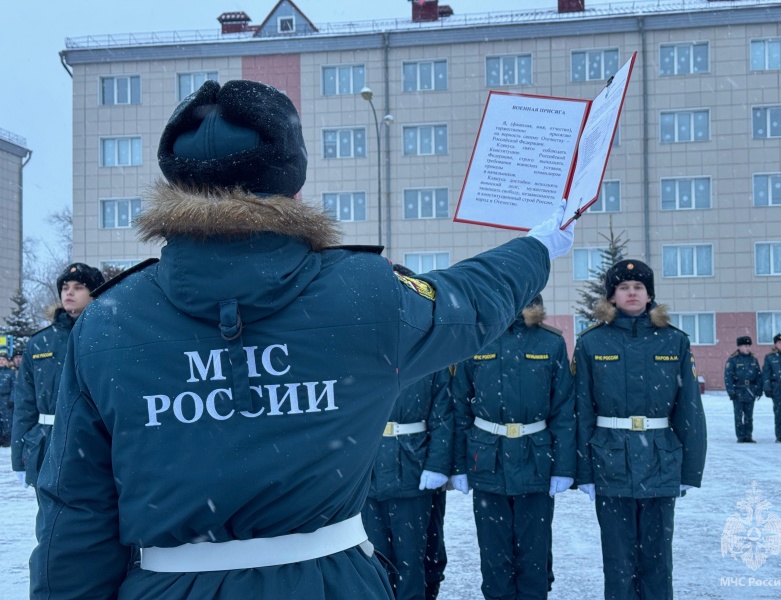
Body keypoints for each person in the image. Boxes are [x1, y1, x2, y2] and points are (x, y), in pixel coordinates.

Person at [30, 79, 574, 599]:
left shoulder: (111, 318)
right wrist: (538, 247)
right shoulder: (365, 293)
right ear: (292, 182)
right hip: (328, 584)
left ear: (176, 183)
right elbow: (469, 302)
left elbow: (76, 507)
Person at [574, 259, 707, 600]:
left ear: (649, 296)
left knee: (657, 560)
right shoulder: (591, 342)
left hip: (660, 460)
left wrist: (690, 470)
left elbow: (688, 408)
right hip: (609, 459)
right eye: (623, 287)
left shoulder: (674, 341)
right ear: (612, 297)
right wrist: (584, 471)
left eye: (638, 287)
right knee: (617, 560)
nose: (631, 293)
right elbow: (582, 412)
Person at [450, 293, 575, 600]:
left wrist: (564, 467)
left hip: (536, 460)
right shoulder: (475, 341)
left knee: (534, 556)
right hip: (487, 460)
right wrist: (458, 465)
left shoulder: (550, 342)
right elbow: (459, 407)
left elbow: (564, 410)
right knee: (494, 557)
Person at [363, 261, 453, 599]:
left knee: (415, 560)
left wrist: (436, 465)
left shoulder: (432, 351)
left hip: (414, 469)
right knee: (373, 558)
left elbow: (444, 415)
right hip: (369, 473)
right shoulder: (360, 350)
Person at [10, 262, 105, 490]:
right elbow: (24, 404)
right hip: (46, 445)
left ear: (95, 293)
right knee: (51, 520)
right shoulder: (40, 342)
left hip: (95, 442)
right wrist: (18, 461)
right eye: (65, 287)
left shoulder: (108, 334)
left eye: (79, 287)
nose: (69, 292)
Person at [723, 335, 762, 443]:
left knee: (749, 416)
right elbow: (728, 377)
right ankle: (740, 436)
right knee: (739, 415)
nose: (747, 348)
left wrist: (759, 390)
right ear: (739, 347)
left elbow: (759, 376)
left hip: (750, 391)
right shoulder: (733, 360)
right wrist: (731, 391)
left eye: (749, 345)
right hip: (738, 391)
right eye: (745, 346)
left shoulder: (753, 360)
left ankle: (748, 435)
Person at [0, 348, 15, 447]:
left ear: (7, 361)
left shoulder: (11, 373)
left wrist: (12, 399)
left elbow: (15, 386)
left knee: (7, 421)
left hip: (5, 400)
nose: (1, 361)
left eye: (3, 360)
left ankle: (6, 440)